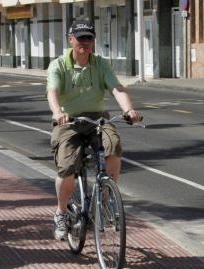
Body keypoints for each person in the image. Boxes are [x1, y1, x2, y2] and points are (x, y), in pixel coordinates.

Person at [46, 19, 142, 240]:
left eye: (89, 38)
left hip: (97, 119)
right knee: (67, 166)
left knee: (114, 145)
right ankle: (61, 212)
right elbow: (52, 92)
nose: (85, 42)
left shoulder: (100, 64)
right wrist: (57, 113)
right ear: (71, 40)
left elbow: (117, 89)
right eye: (81, 38)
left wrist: (129, 110)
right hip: (68, 121)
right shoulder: (58, 65)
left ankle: (107, 199)